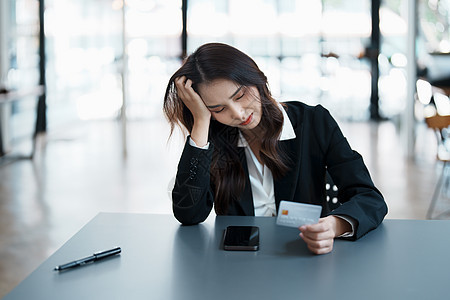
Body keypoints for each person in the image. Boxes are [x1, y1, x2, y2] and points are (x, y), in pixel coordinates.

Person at [163, 43, 387, 255]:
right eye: (219, 108)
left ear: (257, 78)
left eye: (240, 96)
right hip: (237, 267)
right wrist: (201, 123)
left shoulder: (315, 122)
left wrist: (334, 225)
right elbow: (188, 214)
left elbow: (369, 198)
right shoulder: (214, 140)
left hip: (303, 258)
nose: (239, 114)